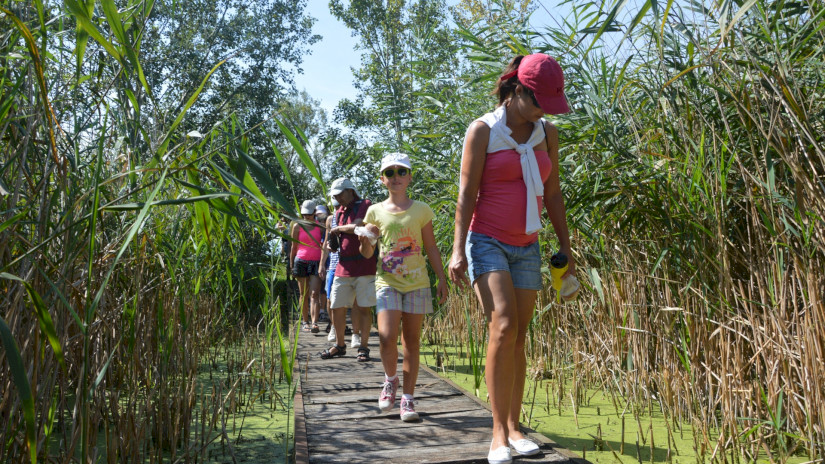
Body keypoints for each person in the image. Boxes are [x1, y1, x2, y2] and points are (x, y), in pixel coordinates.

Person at [448, 54, 575, 464]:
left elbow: (553, 195)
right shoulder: (483, 131)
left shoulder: (546, 133)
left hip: (528, 244)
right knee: (502, 324)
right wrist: (456, 250)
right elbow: (467, 195)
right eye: (539, 103)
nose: (544, 113)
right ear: (519, 91)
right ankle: (497, 434)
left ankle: (516, 426)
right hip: (487, 240)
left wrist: (566, 248)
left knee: (519, 335)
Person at [359, 152, 448, 422]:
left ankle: (408, 400)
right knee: (386, 337)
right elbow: (365, 254)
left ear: (409, 177)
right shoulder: (374, 211)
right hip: (387, 282)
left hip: (418, 283)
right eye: (390, 173)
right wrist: (367, 239)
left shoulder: (422, 210)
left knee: (412, 342)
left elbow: (430, 246)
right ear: (383, 179)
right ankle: (390, 380)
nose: (395, 177)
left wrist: (441, 278)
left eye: (401, 172)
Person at [319, 178, 377, 361]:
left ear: (350, 191)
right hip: (343, 266)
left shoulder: (365, 204)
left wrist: (337, 230)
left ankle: (364, 347)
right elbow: (339, 236)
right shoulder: (339, 212)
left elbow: (359, 227)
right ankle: (340, 344)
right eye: (334, 195)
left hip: (364, 266)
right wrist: (333, 243)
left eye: (339, 193)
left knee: (364, 307)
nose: (337, 198)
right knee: (336, 306)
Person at [290, 199, 325, 333]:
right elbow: (293, 247)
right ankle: (305, 321)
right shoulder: (297, 226)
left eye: (309, 215)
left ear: (314, 213)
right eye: (304, 215)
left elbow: (324, 246)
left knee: (315, 293)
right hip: (301, 261)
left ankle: (315, 323)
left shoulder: (320, 227)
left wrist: (323, 264)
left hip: (316, 262)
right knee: (303, 294)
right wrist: (291, 265)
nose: (307, 217)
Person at [315, 204, 331, 324]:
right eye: (318, 216)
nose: (321, 219)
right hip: (317, 259)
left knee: (325, 288)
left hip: (329, 260)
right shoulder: (314, 227)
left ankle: (324, 311)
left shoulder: (330, 225)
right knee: (319, 287)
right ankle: (320, 311)